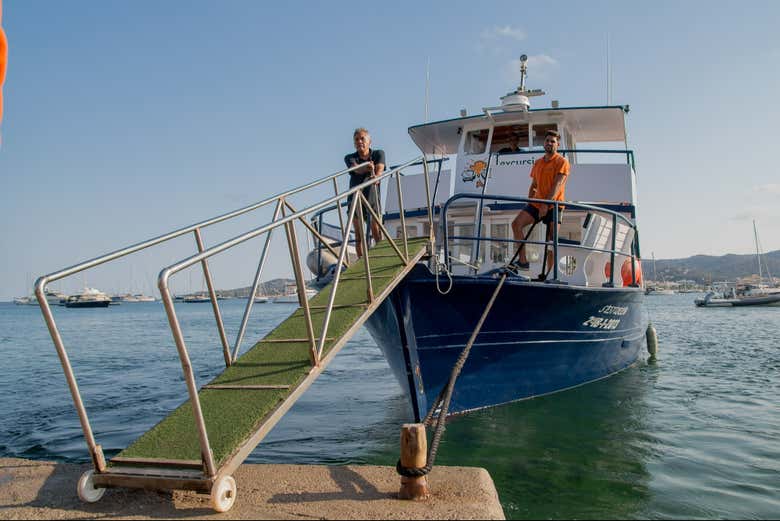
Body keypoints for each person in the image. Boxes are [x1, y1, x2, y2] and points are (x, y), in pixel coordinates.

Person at [510, 130, 570, 277]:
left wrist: (545, 204)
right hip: (537, 203)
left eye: (552, 141)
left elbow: (557, 185)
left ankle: (550, 274)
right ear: (544, 143)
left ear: (557, 144)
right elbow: (534, 184)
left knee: (551, 241)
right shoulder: (538, 163)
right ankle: (523, 261)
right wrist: (530, 199)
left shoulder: (562, 162)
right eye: (547, 140)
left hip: (554, 205)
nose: (549, 143)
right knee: (516, 224)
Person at [344, 128, 385, 257]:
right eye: (357, 139)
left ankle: (379, 258)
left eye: (362, 138)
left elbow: (380, 169)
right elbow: (356, 169)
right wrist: (367, 167)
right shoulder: (350, 157)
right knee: (359, 235)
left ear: (369, 141)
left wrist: (376, 175)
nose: (360, 141)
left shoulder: (379, 153)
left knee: (376, 231)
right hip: (355, 198)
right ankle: (362, 261)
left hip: (372, 197)